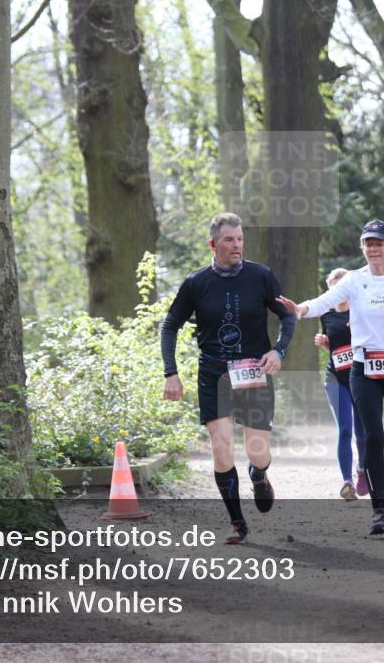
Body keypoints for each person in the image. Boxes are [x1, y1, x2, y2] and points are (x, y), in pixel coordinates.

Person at [161, 212, 296, 545]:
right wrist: (171, 373)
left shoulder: (260, 276)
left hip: (254, 369)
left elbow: (287, 316)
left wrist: (278, 351)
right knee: (221, 449)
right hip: (214, 372)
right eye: (229, 240)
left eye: (240, 239)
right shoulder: (196, 283)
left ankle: (259, 474)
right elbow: (170, 326)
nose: (237, 245)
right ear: (213, 244)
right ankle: (237, 523)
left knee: (257, 450)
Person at [277, 220, 384, 536]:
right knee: (371, 438)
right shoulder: (354, 280)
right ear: (362, 248)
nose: (373, 249)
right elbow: (324, 302)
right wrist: (299, 310)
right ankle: (379, 511)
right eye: (368, 243)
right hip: (363, 368)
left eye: (379, 243)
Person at [312, 268, 368, 500]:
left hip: (361, 377)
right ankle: (347, 482)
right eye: (333, 288)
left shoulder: (360, 311)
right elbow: (334, 350)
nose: (338, 291)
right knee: (345, 430)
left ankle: (362, 470)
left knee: (362, 431)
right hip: (335, 378)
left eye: (341, 286)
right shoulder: (326, 315)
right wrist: (324, 344)